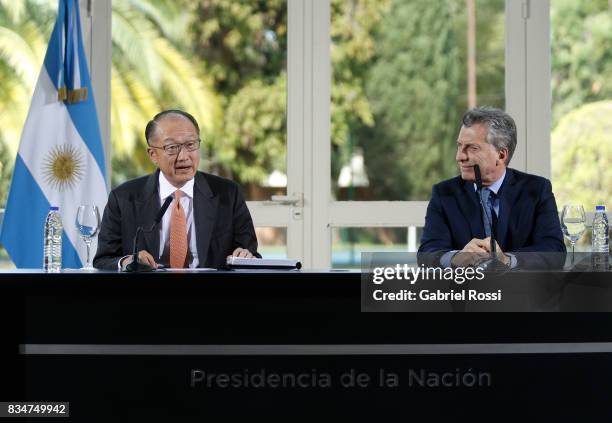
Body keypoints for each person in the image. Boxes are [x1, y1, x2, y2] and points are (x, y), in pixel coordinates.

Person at [94, 110, 259, 270]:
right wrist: (127, 261)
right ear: (153, 154)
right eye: (172, 147)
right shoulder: (123, 198)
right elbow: (104, 259)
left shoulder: (228, 194)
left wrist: (245, 256)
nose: (184, 156)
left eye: (190, 144)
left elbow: (250, 255)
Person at [418, 106, 566, 269]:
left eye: (472, 148)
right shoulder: (444, 193)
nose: (460, 156)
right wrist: (456, 258)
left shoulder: (537, 190)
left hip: (522, 291)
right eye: (459, 146)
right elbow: (427, 254)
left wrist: (508, 260)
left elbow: (555, 252)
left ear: (501, 155)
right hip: (466, 292)